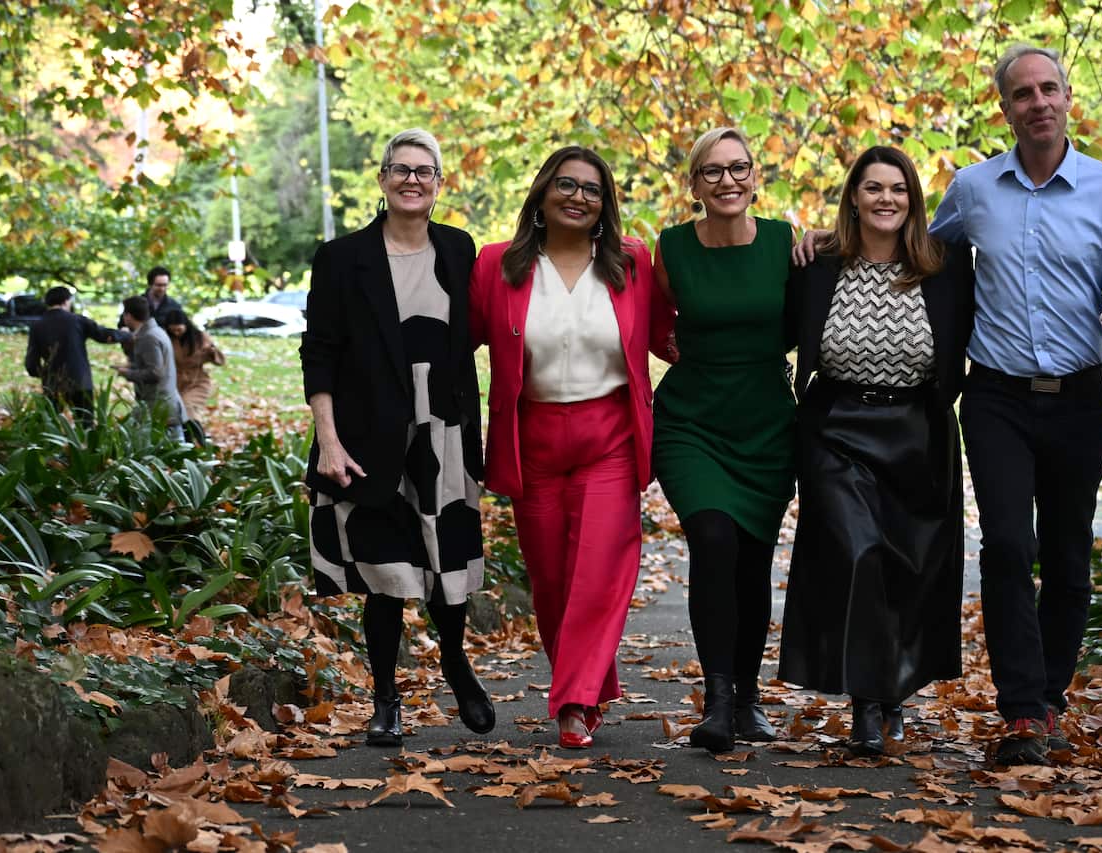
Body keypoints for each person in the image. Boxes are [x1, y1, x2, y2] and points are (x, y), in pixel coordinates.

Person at [796, 45, 1102, 763]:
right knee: (1007, 546)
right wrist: (825, 241)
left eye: (1049, 88)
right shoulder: (973, 187)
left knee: (1066, 555)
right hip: (994, 397)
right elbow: (910, 244)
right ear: (1006, 109)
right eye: (1022, 93)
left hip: (1080, 397)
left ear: (1067, 97)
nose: (1038, 102)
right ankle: (1022, 710)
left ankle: (1049, 697)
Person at [469, 146, 675, 749]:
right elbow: (457, 341)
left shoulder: (632, 263)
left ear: (605, 204)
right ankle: (585, 686)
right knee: (553, 582)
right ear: (542, 193)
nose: (579, 197)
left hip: (608, 436)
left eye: (592, 189)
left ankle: (574, 702)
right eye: (567, 184)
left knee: (600, 571)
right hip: (531, 440)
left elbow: (670, 337)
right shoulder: (496, 266)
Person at [777, 147, 975, 757]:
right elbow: (778, 327)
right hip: (838, 427)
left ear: (912, 200)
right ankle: (867, 703)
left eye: (897, 189)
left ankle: (892, 694)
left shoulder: (946, 266)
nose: (885, 199)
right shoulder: (818, 263)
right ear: (854, 198)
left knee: (907, 569)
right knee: (858, 554)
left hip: (919, 431)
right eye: (873, 188)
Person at [300, 128, 493, 747]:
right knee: (385, 576)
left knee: (449, 566)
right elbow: (319, 355)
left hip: (445, 433)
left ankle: (455, 663)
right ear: (382, 180)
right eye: (401, 169)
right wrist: (328, 441)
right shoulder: (341, 259)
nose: (413, 179)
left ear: (441, 183)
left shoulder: (461, 250)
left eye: (425, 171)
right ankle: (385, 700)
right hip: (367, 434)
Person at [653, 127, 796, 754]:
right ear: (694, 185)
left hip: (767, 423)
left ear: (755, 176)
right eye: (711, 172)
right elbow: (651, 325)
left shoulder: (790, 244)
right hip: (693, 422)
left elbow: (810, 324)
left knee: (754, 559)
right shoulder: (672, 248)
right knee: (713, 538)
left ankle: (748, 697)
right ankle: (716, 702)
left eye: (738, 168)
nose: (727, 181)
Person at [24, 285, 130, 427]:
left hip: (53, 382)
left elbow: (31, 362)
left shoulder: (37, 326)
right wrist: (125, 334)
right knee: (85, 424)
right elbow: (103, 335)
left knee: (52, 425)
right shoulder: (77, 320)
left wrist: (44, 374)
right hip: (80, 380)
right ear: (67, 301)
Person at [115, 295, 186, 440]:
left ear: (128, 316)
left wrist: (127, 373)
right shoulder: (155, 332)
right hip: (162, 403)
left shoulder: (148, 337)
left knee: (173, 450)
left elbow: (155, 373)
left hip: (160, 405)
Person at [162, 309, 225, 441]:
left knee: (188, 408)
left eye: (179, 330)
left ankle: (199, 441)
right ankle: (183, 442)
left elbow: (219, 360)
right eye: (173, 330)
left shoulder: (199, 337)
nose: (177, 333)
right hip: (175, 382)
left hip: (197, 381)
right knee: (173, 413)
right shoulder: (166, 338)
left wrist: (212, 351)